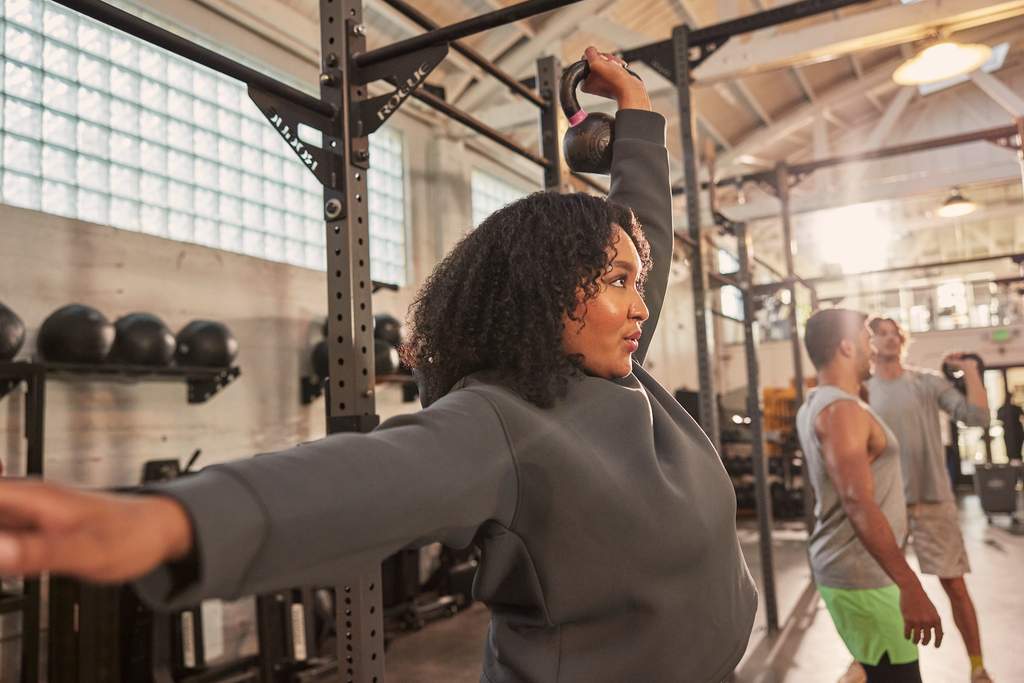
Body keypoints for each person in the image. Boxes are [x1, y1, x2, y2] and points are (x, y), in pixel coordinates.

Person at [0, 49, 757, 682]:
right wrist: (171, 520)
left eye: (637, 278)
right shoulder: (502, 424)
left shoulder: (621, 368)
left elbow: (641, 226)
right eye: (619, 282)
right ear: (547, 295)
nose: (640, 303)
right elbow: (357, 480)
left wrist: (638, 115)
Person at [796, 309, 942, 683]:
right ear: (846, 346)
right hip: (865, 577)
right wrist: (910, 585)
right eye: (866, 339)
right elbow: (857, 502)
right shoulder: (841, 411)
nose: (872, 348)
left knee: (873, 672)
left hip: (856, 570)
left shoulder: (821, 402)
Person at [867, 317, 992, 683]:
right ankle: (865, 660)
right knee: (878, 589)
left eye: (894, 333)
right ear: (869, 344)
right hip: (886, 504)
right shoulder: (861, 391)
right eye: (881, 333)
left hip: (932, 500)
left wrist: (970, 371)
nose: (889, 338)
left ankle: (977, 666)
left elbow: (979, 418)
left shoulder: (925, 382)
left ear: (902, 341)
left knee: (955, 585)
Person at [996, 392, 1023, 462]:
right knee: (1011, 450)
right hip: (1009, 432)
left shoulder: (1015, 408)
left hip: (1016, 432)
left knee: (1016, 450)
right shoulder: (1003, 409)